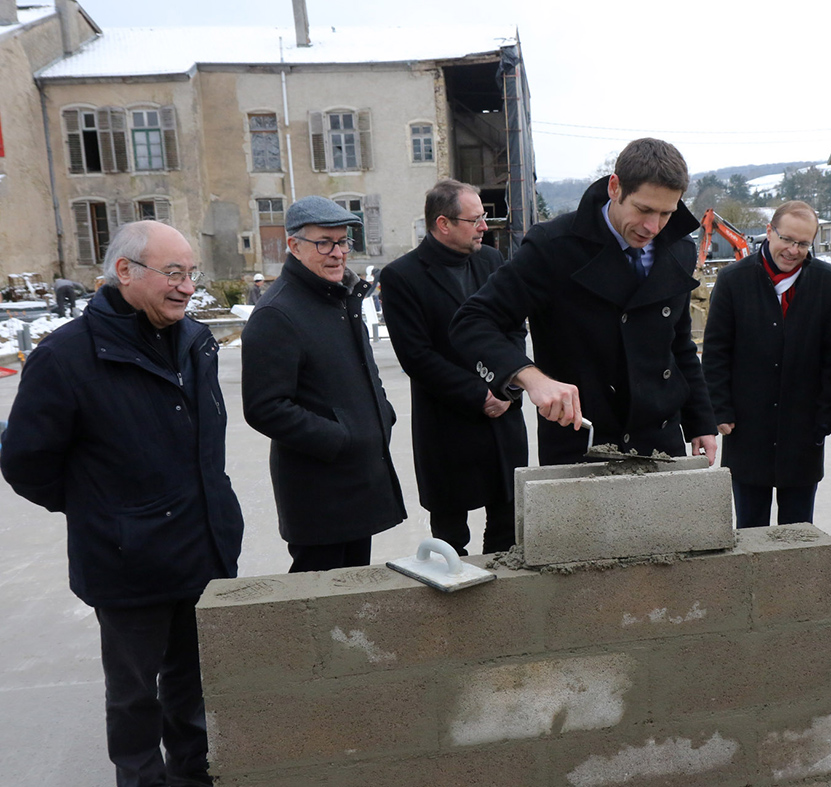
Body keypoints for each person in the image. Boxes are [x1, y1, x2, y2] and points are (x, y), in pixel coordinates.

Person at [1, 220, 245, 786]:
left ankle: (195, 777)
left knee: (193, 690)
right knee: (135, 700)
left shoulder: (195, 341)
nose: (187, 287)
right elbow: (25, 462)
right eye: (173, 273)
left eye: (191, 274)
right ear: (125, 272)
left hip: (202, 547)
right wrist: (101, 510)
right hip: (127, 561)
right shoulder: (66, 357)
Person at [450, 138, 716, 465]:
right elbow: (472, 322)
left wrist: (700, 421)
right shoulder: (554, 246)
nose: (653, 227)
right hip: (581, 440)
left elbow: (678, 344)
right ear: (615, 188)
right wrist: (532, 378)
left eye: (666, 213)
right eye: (644, 209)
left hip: (660, 441)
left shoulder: (679, 249)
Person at [241, 195, 407, 572]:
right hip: (319, 493)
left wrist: (383, 415)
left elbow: (364, 372)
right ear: (293, 246)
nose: (337, 253)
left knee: (349, 597)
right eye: (324, 243)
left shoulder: (337, 299)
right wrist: (342, 437)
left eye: (343, 241)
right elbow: (265, 407)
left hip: (355, 480)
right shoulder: (277, 314)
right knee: (318, 605)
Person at [382, 180, 527, 555]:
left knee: (508, 532)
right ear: (443, 224)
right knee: (449, 541)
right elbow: (417, 356)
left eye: (484, 218)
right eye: (475, 219)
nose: (484, 227)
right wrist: (480, 394)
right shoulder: (402, 276)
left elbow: (513, 327)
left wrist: (507, 387)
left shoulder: (491, 261)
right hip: (449, 424)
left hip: (503, 418)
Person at [702, 200, 831, 528]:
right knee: (751, 531)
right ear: (769, 232)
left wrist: (827, 413)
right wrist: (719, 409)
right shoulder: (733, 281)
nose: (794, 250)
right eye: (787, 239)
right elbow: (716, 353)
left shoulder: (827, 283)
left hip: (803, 431)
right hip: (747, 429)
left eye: (803, 243)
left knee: (798, 532)